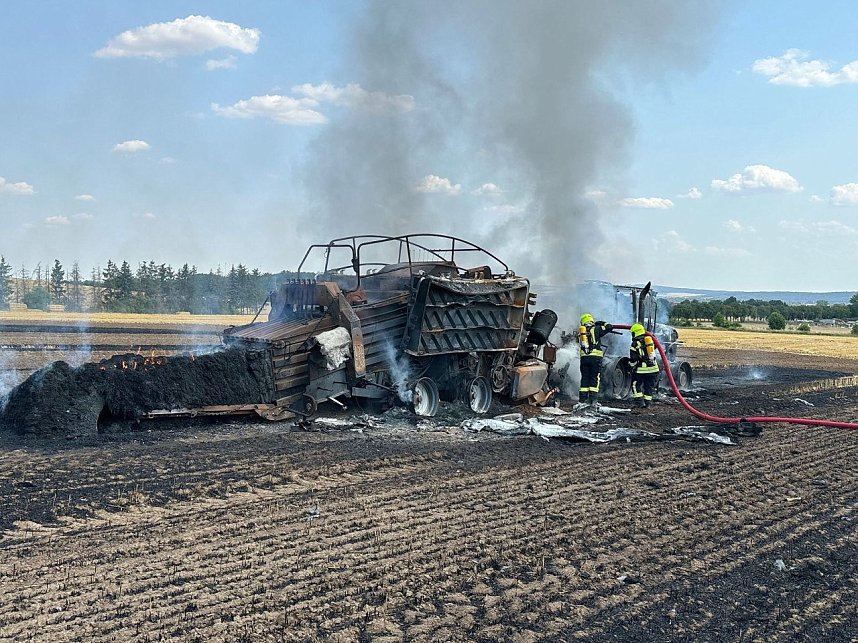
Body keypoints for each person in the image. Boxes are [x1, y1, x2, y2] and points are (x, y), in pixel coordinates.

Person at [578, 313, 613, 405]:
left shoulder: (582, 332)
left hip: (584, 358)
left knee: (585, 379)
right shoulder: (596, 329)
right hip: (595, 358)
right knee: (594, 378)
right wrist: (602, 323)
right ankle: (593, 400)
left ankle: (582, 400)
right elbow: (610, 327)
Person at [629, 323, 659, 409]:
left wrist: (630, 367)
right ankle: (648, 404)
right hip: (654, 369)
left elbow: (633, 359)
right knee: (648, 387)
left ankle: (639, 403)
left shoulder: (635, 343)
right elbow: (656, 347)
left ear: (635, 332)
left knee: (635, 385)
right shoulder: (650, 340)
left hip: (642, 370)